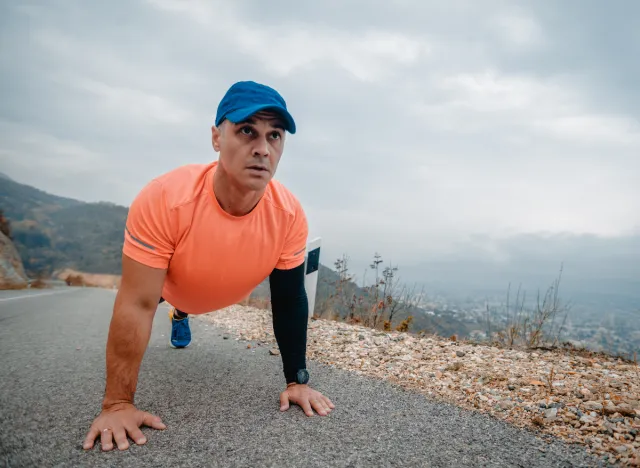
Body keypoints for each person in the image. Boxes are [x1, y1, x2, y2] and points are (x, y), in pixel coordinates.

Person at [83, 81, 335, 452]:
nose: (262, 149)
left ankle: (183, 311)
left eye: (275, 136)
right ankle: (180, 311)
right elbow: (137, 302)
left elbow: (289, 299)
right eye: (247, 130)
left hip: (228, 286)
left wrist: (297, 380)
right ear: (217, 137)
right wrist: (117, 404)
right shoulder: (165, 199)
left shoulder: (289, 214)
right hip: (174, 287)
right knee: (168, 298)